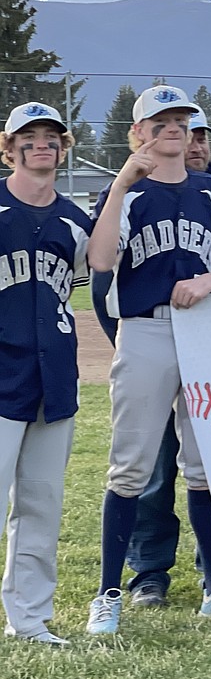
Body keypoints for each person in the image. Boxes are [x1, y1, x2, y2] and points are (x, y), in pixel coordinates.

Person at [85, 85, 211, 634]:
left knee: (206, 468)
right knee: (130, 465)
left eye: (180, 118)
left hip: (204, 330)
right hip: (146, 330)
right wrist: (118, 186)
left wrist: (207, 281)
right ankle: (109, 592)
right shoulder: (128, 194)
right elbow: (102, 259)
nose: (172, 128)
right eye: (159, 121)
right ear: (137, 133)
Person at [0, 102, 93, 645]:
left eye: (51, 137)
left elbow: (87, 287)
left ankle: (29, 619)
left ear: (64, 147)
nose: (41, 145)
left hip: (54, 378)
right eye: (28, 137)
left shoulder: (76, 220)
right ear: (8, 147)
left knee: (41, 506)